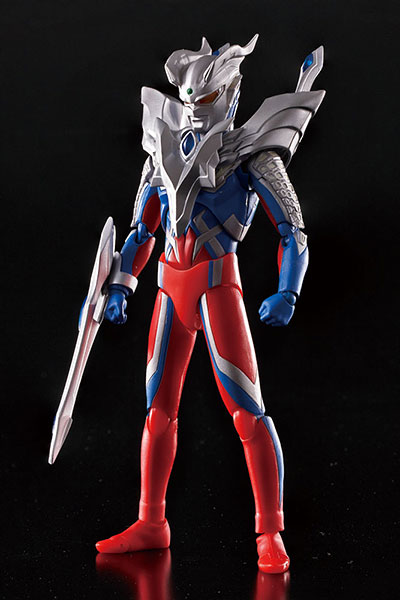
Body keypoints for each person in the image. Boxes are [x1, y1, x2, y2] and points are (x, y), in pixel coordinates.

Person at [95, 35, 325, 573]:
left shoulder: (253, 153)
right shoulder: (161, 152)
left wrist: (288, 291)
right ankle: (151, 522)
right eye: (190, 98)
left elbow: (293, 231)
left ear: (230, 92)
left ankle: (270, 531)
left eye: (207, 97)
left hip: (218, 286)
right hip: (168, 289)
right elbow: (142, 230)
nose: (196, 108)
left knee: (248, 413)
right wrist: (122, 284)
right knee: (157, 412)